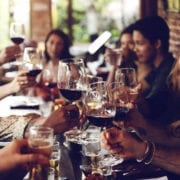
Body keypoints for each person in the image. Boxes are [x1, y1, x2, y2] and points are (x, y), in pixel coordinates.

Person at [34, 29, 72, 101]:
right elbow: (34, 88)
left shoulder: (70, 68)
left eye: (59, 44)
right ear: (46, 43)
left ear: (64, 46)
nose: (54, 48)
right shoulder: (42, 65)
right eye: (51, 42)